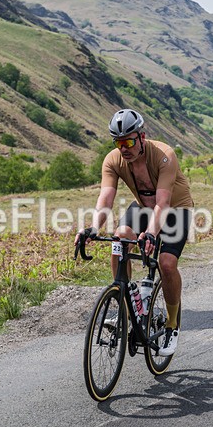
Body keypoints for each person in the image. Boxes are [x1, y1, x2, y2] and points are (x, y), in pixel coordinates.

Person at [76, 108, 193, 356]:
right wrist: (93, 227)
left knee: (167, 263)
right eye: (119, 142)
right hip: (143, 208)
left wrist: (151, 234)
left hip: (175, 209)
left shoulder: (164, 156)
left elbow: (162, 202)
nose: (124, 147)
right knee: (119, 239)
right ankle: (124, 306)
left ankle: (172, 324)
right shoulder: (113, 160)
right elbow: (106, 197)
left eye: (129, 140)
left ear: (142, 136)